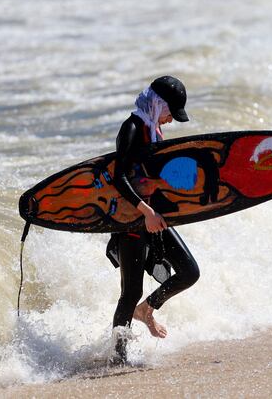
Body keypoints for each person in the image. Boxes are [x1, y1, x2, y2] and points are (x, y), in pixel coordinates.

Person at [105, 75, 200, 364]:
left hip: (154, 219)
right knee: (130, 292)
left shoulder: (154, 131)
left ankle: (147, 309)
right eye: (171, 111)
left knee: (189, 272)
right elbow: (117, 178)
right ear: (158, 104)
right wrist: (145, 212)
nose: (171, 119)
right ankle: (117, 358)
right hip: (133, 222)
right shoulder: (132, 128)